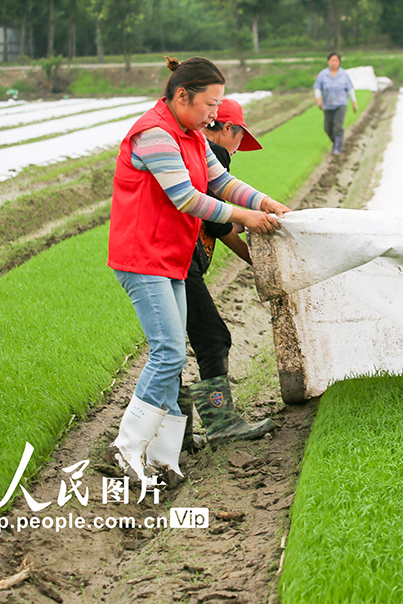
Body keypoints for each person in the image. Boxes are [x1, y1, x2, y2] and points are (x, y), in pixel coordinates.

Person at [108, 57, 289, 486]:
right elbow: (186, 198)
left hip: (170, 258)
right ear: (182, 95)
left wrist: (264, 202)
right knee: (168, 352)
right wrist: (244, 218)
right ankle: (129, 445)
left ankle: (165, 458)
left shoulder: (191, 136)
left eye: (219, 105)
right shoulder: (154, 133)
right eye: (210, 104)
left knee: (171, 360)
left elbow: (220, 181)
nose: (214, 114)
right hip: (143, 257)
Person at [177, 97, 276, 450]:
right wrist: (256, 258)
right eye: (239, 138)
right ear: (229, 129)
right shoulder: (214, 154)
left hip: (169, 263)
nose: (238, 149)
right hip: (179, 264)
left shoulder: (199, 151)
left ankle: (180, 436)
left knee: (171, 348)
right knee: (212, 339)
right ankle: (219, 423)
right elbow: (217, 221)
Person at [314, 52, 357, 155]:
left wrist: (354, 103)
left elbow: (350, 89)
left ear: (339, 62)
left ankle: (338, 147)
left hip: (340, 104)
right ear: (328, 62)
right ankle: (337, 142)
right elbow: (317, 88)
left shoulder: (344, 75)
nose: (334, 63)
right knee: (328, 128)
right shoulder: (323, 74)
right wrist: (319, 100)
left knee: (338, 126)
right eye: (332, 60)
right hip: (328, 104)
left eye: (336, 61)